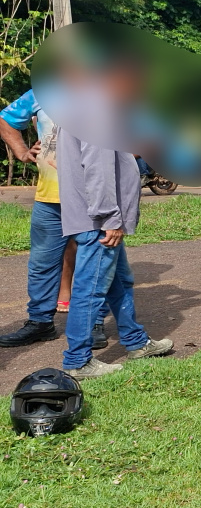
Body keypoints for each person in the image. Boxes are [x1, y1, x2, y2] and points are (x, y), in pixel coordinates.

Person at [57, 129, 173, 377]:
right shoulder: (97, 113)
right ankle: (78, 360)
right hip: (98, 222)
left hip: (91, 218)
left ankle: (136, 341)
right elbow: (98, 167)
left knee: (119, 281)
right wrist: (109, 217)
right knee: (90, 289)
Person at [0, 91, 109, 351]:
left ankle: (93, 323)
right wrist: (22, 151)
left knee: (93, 264)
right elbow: (5, 119)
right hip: (49, 198)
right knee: (42, 265)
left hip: (92, 198)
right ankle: (40, 322)